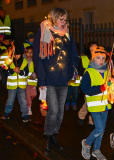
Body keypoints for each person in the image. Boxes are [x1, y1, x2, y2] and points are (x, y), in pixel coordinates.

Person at [32, 8, 79, 156]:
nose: (64, 22)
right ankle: (48, 138)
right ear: (53, 18)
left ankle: (53, 137)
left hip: (63, 79)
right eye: (61, 19)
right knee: (53, 111)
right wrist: (42, 79)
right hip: (50, 79)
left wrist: (72, 70)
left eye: (65, 19)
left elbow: (74, 55)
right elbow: (37, 57)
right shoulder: (44, 31)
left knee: (60, 112)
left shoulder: (67, 35)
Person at [80, 45, 111, 160]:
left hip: (105, 105)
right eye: (98, 58)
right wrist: (101, 88)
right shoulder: (89, 72)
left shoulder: (107, 70)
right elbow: (85, 89)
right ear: (93, 59)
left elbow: (109, 87)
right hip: (94, 106)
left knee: (101, 131)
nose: (101, 61)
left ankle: (96, 150)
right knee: (99, 129)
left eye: (103, 58)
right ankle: (87, 144)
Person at [1, 42, 29, 122]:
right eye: (14, 54)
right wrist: (13, 70)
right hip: (11, 86)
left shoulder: (25, 61)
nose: (16, 56)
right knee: (10, 101)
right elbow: (4, 71)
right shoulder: (9, 61)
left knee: (23, 101)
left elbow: (26, 73)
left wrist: (19, 71)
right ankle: (6, 114)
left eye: (18, 54)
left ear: (21, 54)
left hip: (21, 86)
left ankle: (25, 115)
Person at [78, 41, 97, 126]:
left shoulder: (100, 58)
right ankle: (81, 115)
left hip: (96, 84)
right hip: (87, 84)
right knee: (88, 102)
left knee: (93, 103)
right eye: (92, 47)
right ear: (89, 48)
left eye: (96, 47)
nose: (94, 49)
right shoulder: (84, 59)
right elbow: (80, 71)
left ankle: (91, 120)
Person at [24, 46, 37, 115]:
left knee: (34, 94)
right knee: (28, 95)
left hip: (32, 82)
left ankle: (27, 102)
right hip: (25, 82)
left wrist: (34, 76)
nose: (29, 54)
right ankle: (29, 108)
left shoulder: (35, 61)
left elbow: (36, 71)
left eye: (31, 53)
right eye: (28, 52)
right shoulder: (23, 61)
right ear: (25, 53)